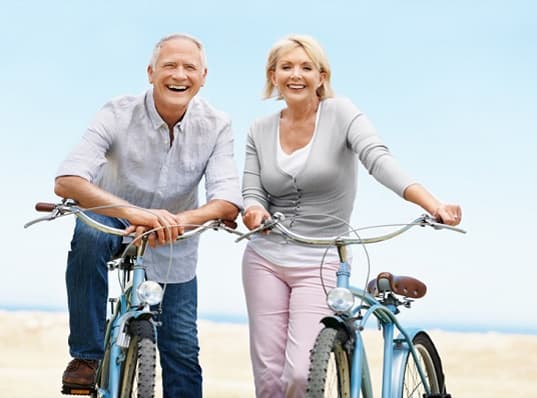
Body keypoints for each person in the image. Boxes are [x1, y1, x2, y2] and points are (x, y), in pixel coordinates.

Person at [241, 34, 462, 397]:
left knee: (299, 373)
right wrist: (253, 210)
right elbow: (252, 190)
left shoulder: (341, 114)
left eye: (306, 67)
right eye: (287, 67)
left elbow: (379, 160)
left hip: (322, 258)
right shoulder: (259, 129)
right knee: (268, 379)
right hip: (264, 257)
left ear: (321, 76)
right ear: (273, 75)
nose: (296, 75)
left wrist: (431, 203)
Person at [55, 33, 242, 398]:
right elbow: (68, 180)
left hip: (175, 237)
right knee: (89, 236)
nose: (179, 74)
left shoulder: (217, 124)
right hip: (112, 217)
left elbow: (227, 201)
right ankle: (87, 357)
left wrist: (176, 220)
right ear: (151, 72)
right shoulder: (116, 112)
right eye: (170, 65)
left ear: (204, 76)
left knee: (183, 351)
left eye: (190, 67)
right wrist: (135, 212)